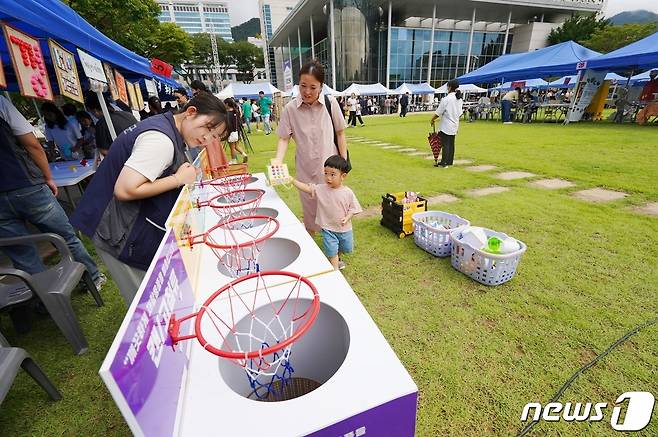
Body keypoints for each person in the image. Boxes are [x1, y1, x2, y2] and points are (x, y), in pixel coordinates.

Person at [70, 92, 228, 305]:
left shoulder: (168, 127)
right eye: (208, 128)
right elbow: (125, 189)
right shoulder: (160, 140)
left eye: (214, 137)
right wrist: (178, 178)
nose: (206, 139)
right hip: (116, 230)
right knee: (149, 304)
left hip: (126, 225)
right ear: (191, 112)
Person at [0, 96, 104, 313]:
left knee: (21, 252)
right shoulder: (1, 103)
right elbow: (33, 145)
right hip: (27, 185)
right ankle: (92, 278)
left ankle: (45, 300)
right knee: (65, 237)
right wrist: (48, 178)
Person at [273, 60, 348, 235]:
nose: (307, 91)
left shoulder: (331, 104)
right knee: (309, 210)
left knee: (333, 208)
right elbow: (284, 138)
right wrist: (278, 159)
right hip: (305, 169)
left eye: (313, 87)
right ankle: (312, 247)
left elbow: (340, 133)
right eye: (303, 85)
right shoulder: (291, 108)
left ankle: (336, 251)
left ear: (321, 86)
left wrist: (343, 162)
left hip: (330, 169)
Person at [291, 155, 361, 270]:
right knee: (331, 250)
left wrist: (347, 217)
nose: (328, 177)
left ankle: (337, 259)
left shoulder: (348, 192)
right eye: (326, 173)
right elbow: (307, 188)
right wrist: (292, 180)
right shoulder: (321, 189)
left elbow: (353, 208)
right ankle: (335, 271)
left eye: (332, 174)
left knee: (344, 248)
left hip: (344, 229)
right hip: (328, 228)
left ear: (343, 176)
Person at [84, 91, 137, 156]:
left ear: (95, 110)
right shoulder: (128, 115)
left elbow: (104, 151)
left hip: (125, 160)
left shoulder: (101, 123)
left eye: (91, 112)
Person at [430, 79, 463, 168]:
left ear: (449, 87)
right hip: (454, 124)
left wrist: (432, 119)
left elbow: (439, 112)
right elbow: (460, 113)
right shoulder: (459, 99)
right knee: (451, 144)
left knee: (445, 144)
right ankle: (449, 161)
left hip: (446, 125)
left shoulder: (446, 99)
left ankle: (444, 162)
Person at [223, 98, 249, 163]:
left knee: (232, 147)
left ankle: (233, 160)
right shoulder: (235, 111)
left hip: (231, 132)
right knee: (236, 145)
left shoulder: (228, 113)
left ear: (227, 104)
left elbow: (228, 124)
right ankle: (244, 154)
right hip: (237, 131)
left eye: (224, 104)